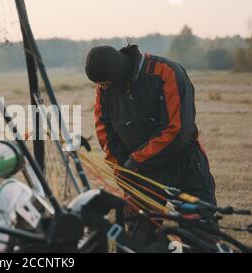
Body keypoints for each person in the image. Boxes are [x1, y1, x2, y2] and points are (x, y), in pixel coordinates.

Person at [85, 44, 217, 212]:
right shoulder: (105, 88)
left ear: (119, 73)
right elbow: (106, 132)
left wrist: (134, 161)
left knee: (200, 230)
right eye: (100, 84)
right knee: (140, 234)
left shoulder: (167, 72)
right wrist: (121, 168)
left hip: (184, 164)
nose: (103, 88)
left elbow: (177, 129)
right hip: (140, 172)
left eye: (105, 83)